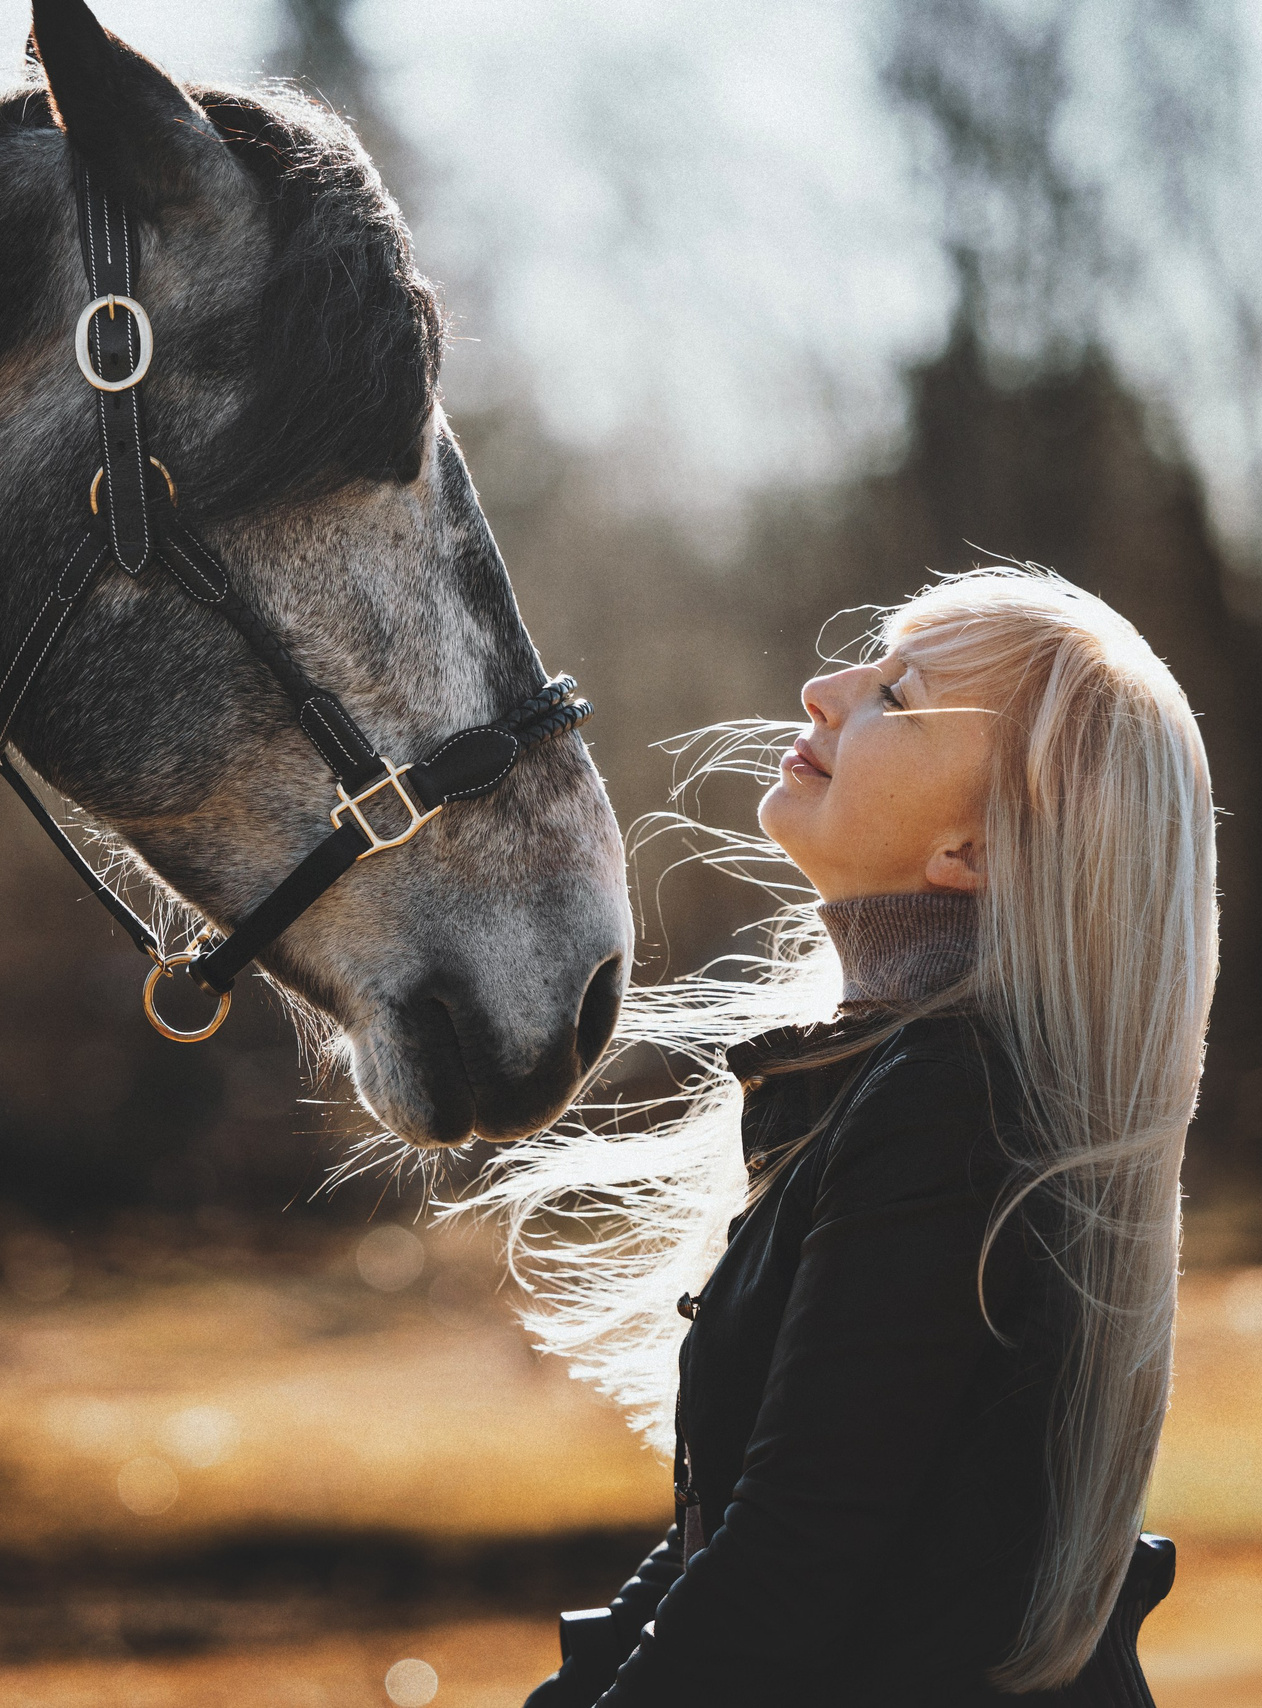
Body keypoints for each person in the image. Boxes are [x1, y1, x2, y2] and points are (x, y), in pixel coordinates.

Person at [472, 568, 1212, 1705]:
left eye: (897, 698)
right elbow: (730, 1537)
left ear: (970, 852)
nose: (820, 689)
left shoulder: (949, 1103)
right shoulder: (895, 1078)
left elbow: (783, 1571)